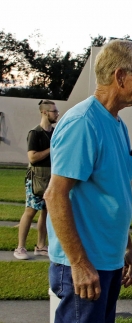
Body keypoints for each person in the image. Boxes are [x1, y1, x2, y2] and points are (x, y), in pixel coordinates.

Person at [43, 39, 132, 323]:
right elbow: (55, 195)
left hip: (108, 260)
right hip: (85, 263)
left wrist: (128, 249)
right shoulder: (83, 123)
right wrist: (78, 263)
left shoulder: (117, 124)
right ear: (119, 76)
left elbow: (114, 194)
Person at [13, 100, 59, 260]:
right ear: (44, 112)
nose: (57, 114)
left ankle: (41, 246)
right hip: (36, 178)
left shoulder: (54, 132)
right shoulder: (35, 133)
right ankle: (20, 247)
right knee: (30, 211)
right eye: (54, 111)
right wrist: (51, 148)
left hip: (51, 177)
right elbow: (32, 157)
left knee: (46, 212)